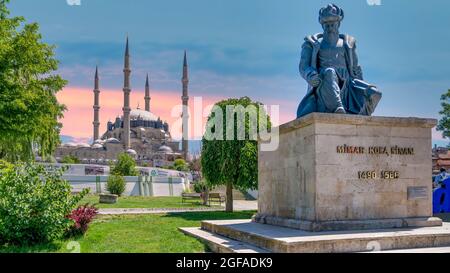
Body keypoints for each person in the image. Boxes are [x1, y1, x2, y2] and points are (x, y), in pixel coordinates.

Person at [297, 4, 382, 118]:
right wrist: (310, 76)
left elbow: (355, 69)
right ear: (322, 25)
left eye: (333, 24)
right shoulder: (312, 43)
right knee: (329, 71)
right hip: (324, 84)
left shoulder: (348, 44)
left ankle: (361, 117)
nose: (330, 28)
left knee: (375, 93)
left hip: (348, 84)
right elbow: (304, 66)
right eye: (326, 25)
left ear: (339, 23)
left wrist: (360, 90)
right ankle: (337, 107)